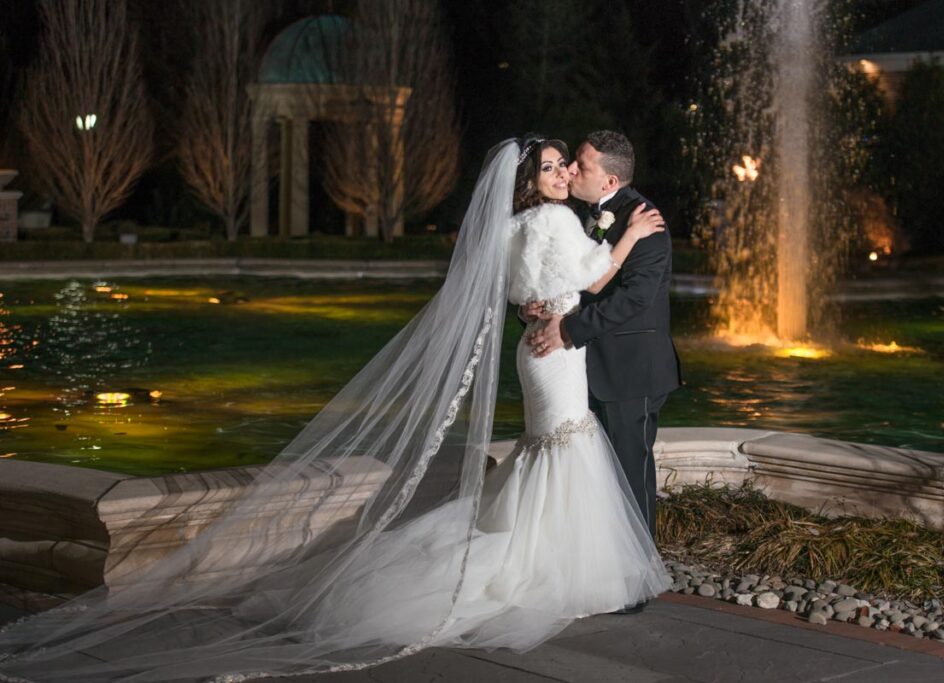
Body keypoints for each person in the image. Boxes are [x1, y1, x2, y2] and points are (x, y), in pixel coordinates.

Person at [0, 137, 670, 683]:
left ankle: (547, 551)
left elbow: (517, 286)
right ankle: (555, 566)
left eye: (565, 165)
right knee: (564, 444)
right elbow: (589, 278)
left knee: (544, 448)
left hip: (536, 345)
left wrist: (537, 306)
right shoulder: (553, 218)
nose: (562, 173)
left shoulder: (515, 224)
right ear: (533, 180)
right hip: (558, 352)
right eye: (552, 166)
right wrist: (631, 237)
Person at [526, 132, 681, 615]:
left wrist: (568, 328)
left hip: (630, 368)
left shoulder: (646, 223)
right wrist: (538, 308)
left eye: (582, 165)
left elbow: (632, 301)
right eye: (571, 162)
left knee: (629, 472)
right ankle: (589, 567)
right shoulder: (573, 213)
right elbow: (565, 277)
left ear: (610, 179)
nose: (571, 170)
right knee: (595, 473)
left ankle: (634, 582)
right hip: (582, 367)